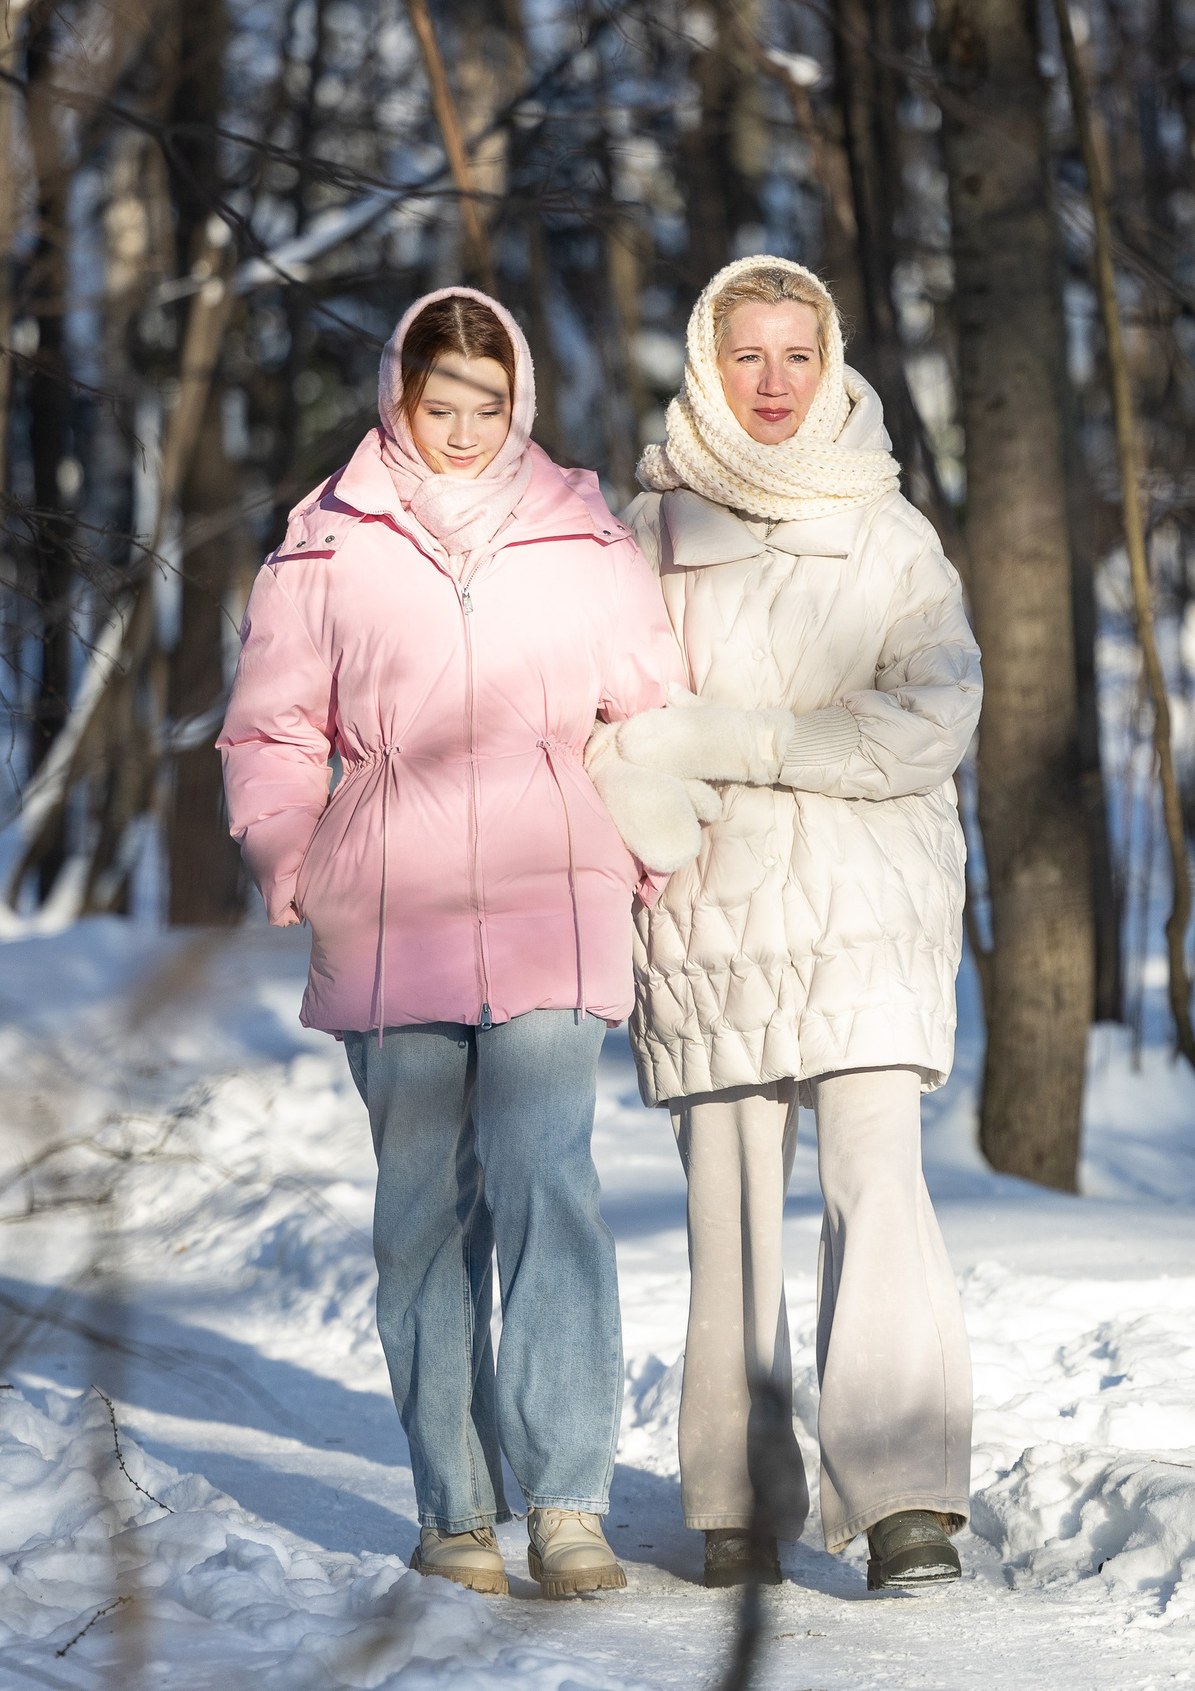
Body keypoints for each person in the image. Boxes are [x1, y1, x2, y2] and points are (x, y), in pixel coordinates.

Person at [218, 287, 690, 1600]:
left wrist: (642, 849)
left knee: (550, 1181)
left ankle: (571, 1503)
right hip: (388, 911)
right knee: (425, 1215)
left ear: (520, 400)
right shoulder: (325, 548)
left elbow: (656, 708)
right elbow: (268, 730)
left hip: (555, 894)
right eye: (444, 405)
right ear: (400, 400)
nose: (468, 427)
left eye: (490, 404)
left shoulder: (585, 539)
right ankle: (456, 1509)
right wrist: (291, 852)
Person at [595, 255, 983, 1592]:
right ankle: (735, 1501)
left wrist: (744, 736)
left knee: (883, 1191)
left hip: (871, 905)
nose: (773, 382)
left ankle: (908, 1500)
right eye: (747, 355)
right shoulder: (647, 536)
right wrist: (652, 778)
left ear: (832, 363)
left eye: (796, 355)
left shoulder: (890, 531)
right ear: (709, 361)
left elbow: (934, 720)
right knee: (734, 1213)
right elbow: (609, 718)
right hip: (708, 917)